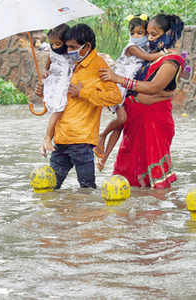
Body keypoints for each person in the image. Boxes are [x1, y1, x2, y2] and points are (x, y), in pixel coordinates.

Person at [99, 14, 185, 189]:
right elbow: (149, 88)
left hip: (153, 125)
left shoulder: (172, 59)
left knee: (156, 186)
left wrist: (119, 79)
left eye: (154, 34)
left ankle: (153, 214)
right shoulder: (148, 55)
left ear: (168, 33)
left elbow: (153, 87)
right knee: (128, 182)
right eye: (148, 34)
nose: (150, 38)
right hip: (134, 125)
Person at [36, 24, 122, 189]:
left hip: (82, 142)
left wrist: (84, 92)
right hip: (60, 139)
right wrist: (44, 91)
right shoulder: (67, 63)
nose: (68, 51)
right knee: (49, 189)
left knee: (87, 190)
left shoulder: (99, 66)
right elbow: (59, 101)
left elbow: (115, 97)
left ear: (87, 46)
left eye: (73, 47)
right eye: (66, 47)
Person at [96, 14, 167, 171]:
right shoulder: (132, 47)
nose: (136, 36)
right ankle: (102, 134)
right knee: (122, 119)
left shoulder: (147, 45)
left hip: (126, 87)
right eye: (133, 33)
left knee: (121, 125)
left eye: (140, 33)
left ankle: (104, 157)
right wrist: (165, 54)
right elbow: (148, 57)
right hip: (118, 86)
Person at [41, 23, 74, 157]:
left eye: (58, 44)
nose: (54, 47)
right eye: (52, 44)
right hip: (56, 84)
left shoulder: (71, 52)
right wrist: (45, 72)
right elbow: (47, 66)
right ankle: (47, 138)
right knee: (58, 111)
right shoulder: (52, 52)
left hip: (65, 82)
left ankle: (44, 144)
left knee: (59, 114)